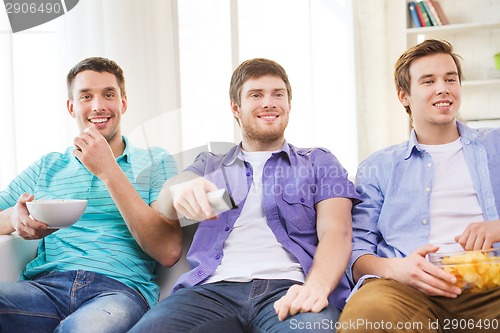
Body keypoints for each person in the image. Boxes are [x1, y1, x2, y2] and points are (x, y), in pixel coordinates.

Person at [129, 58, 360, 332]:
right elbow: (168, 201)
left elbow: (338, 232)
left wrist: (317, 287)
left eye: (278, 94)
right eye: (256, 95)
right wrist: (180, 190)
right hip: (211, 292)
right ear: (235, 108)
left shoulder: (319, 161)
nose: (269, 103)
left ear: (289, 104)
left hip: (291, 289)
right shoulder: (210, 164)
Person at [0, 57, 183, 333]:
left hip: (118, 292)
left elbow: (168, 251)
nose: (98, 106)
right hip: (45, 288)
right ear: (71, 107)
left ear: (123, 102)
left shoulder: (156, 162)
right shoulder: (48, 166)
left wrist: (109, 170)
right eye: (86, 96)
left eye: (108, 94)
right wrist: (14, 217)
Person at [337, 39, 500, 333]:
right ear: (404, 96)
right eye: (428, 81)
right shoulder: (379, 167)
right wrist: (394, 269)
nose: (443, 88)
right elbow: (356, 251)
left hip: (491, 286)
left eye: (450, 79)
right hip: (406, 290)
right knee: (368, 315)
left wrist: (497, 227)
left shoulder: (495, 145)